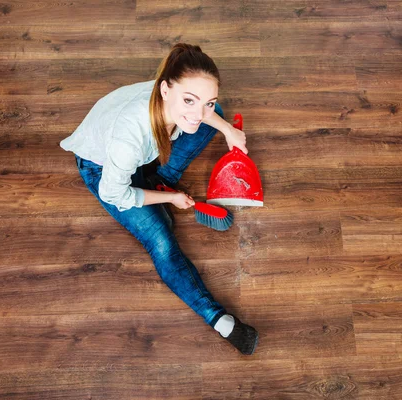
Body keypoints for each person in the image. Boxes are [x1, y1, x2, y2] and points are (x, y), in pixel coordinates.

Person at [60, 43, 258, 355]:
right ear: (165, 90)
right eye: (189, 100)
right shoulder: (129, 138)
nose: (197, 111)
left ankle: (160, 179)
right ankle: (219, 319)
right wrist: (175, 197)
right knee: (162, 240)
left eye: (207, 100)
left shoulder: (174, 98)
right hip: (104, 171)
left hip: (139, 153)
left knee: (211, 120)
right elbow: (114, 194)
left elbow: (204, 114)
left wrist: (227, 131)